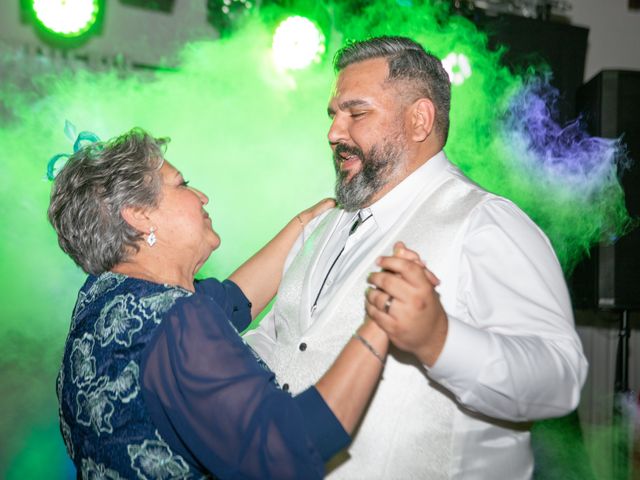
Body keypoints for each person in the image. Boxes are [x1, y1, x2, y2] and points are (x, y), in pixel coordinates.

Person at [244, 36, 589, 479]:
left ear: (419, 119)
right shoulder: (322, 226)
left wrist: (438, 339)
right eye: (333, 115)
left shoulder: (485, 222)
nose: (333, 132)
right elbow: (283, 344)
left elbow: (558, 379)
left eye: (357, 112)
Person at [48, 127, 420, 479]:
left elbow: (232, 302)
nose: (201, 197)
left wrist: (305, 225)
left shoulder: (103, 302)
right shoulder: (177, 321)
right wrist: (378, 324)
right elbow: (284, 449)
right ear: (139, 215)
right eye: (182, 184)